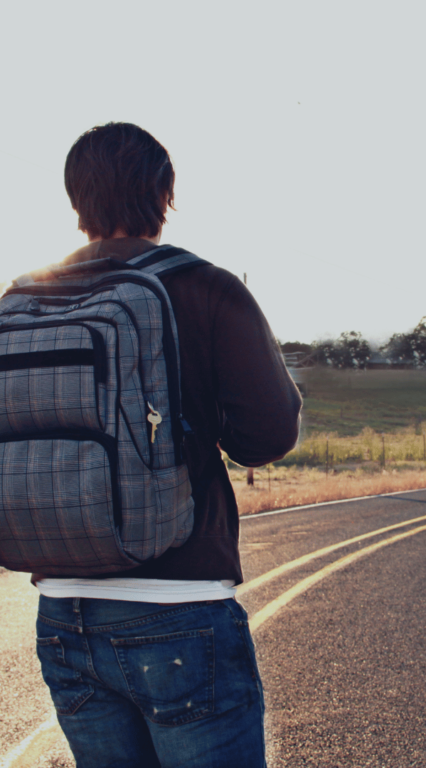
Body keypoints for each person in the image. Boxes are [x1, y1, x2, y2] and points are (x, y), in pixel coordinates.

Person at [31, 122, 302, 767]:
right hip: (178, 605)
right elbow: (267, 434)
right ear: (166, 194)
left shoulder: (26, 297)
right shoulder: (206, 288)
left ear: (75, 202)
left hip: (61, 611)